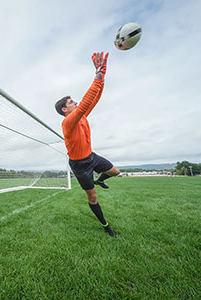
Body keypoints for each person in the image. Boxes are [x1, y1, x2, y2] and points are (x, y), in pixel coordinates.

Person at [54, 52, 121, 237]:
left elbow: (94, 98)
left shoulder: (81, 115)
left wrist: (103, 74)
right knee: (92, 197)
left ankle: (99, 179)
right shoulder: (68, 122)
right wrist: (97, 74)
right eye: (70, 102)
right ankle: (106, 226)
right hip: (80, 165)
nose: (75, 102)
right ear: (64, 109)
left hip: (91, 156)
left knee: (116, 172)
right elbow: (84, 103)